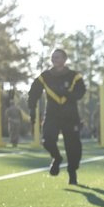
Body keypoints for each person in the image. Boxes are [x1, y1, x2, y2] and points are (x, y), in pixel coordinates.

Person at [28, 49, 86, 185]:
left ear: (64, 59)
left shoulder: (74, 76)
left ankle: (72, 173)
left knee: (73, 147)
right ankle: (57, 157)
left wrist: (65, 93)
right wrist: (31, 108)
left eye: (58, 57)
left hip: (70, 116)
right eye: (53, 57)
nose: (54, 59)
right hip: (52, 115)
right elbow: (34, 91)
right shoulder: (46, 76)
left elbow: (81, 92)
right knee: (47, 140)